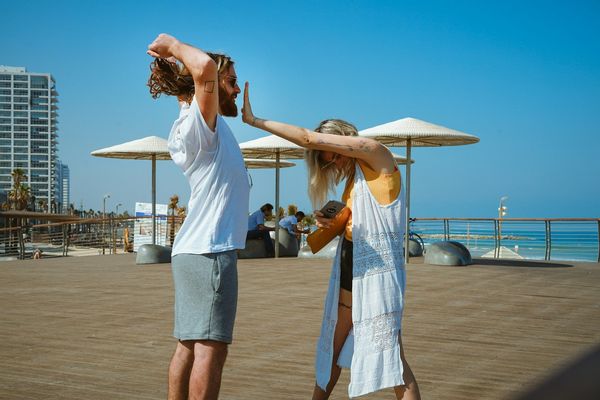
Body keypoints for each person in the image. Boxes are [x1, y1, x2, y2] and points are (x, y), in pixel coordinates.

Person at [241, 83, 421, 399]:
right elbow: (356, 227)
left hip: (378, 278)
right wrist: (332, 223)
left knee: (394, 363)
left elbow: (308, 138)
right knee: (332, 351)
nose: (334, 165)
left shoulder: (379, 157)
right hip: (351, 270)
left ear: (344, 140)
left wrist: (255, 121)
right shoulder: (355, 181)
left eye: (333, 157)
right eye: (327, 162)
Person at [147, 33, 249, 400]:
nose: (237, 90)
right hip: (210, 252)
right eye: (232, 81)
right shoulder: (199, 126)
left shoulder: (196, 123)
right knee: (210, 348)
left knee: (189, 345)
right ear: (210, 85)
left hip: (196, 251)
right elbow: (204, 66)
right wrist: (172, 46)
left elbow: (200, 75)